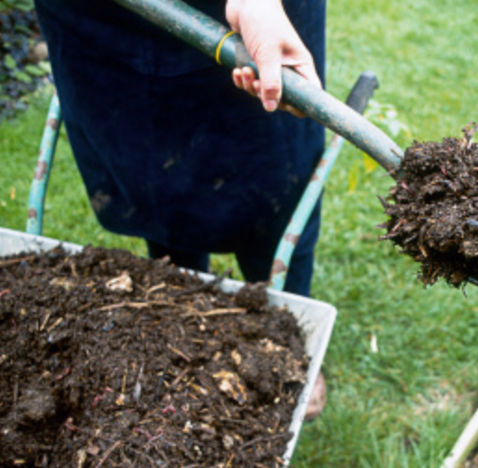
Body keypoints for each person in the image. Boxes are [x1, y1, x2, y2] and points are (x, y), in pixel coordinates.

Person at [33, 0, 327, 417]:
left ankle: (289, 336)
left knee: (276, 181)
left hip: (250, 15)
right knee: (151, 179)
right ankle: (182, 327)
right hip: (106, 22)